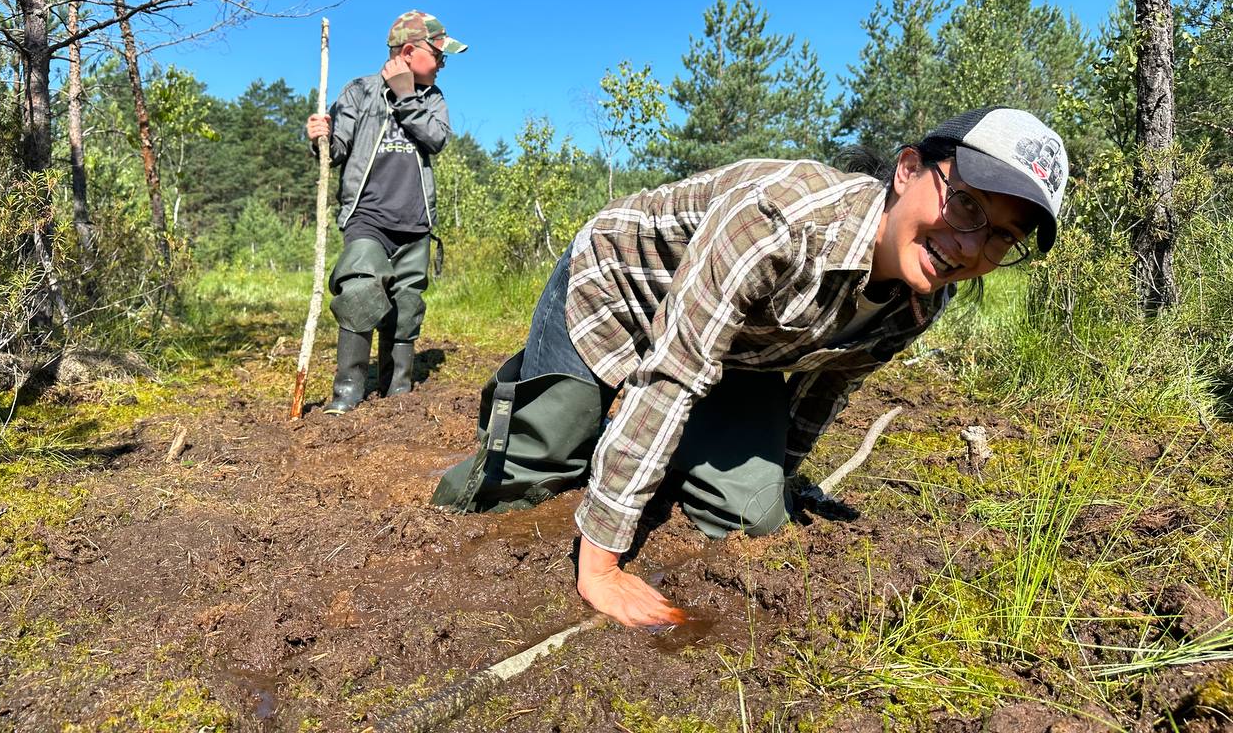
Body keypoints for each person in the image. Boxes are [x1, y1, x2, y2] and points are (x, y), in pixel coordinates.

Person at [433, 106, 1068, 628]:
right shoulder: (779, 220)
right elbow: (675, 371)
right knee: (538, 464)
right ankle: (564, 400)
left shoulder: (920, 299)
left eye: (1001, 237)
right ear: (908, 170)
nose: (969, 246)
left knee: (755, 513)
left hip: (735, 348)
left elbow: (826, 385)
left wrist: (779, 474)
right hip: (619, 292)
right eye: (966, 206)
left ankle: (636, 439)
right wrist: (600, 567)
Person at [305, 11, 466, 412]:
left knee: (406, 306)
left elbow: (436, 139)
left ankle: (397, 396)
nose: (442, 64)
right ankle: (347, 394)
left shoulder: (432, 98)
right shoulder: (360, 91)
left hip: (415, 222)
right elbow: (336, 151)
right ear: (409, 51)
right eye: (438, 55)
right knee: (359, 291)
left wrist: (407, 96)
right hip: (368, 219)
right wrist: (320, 137)